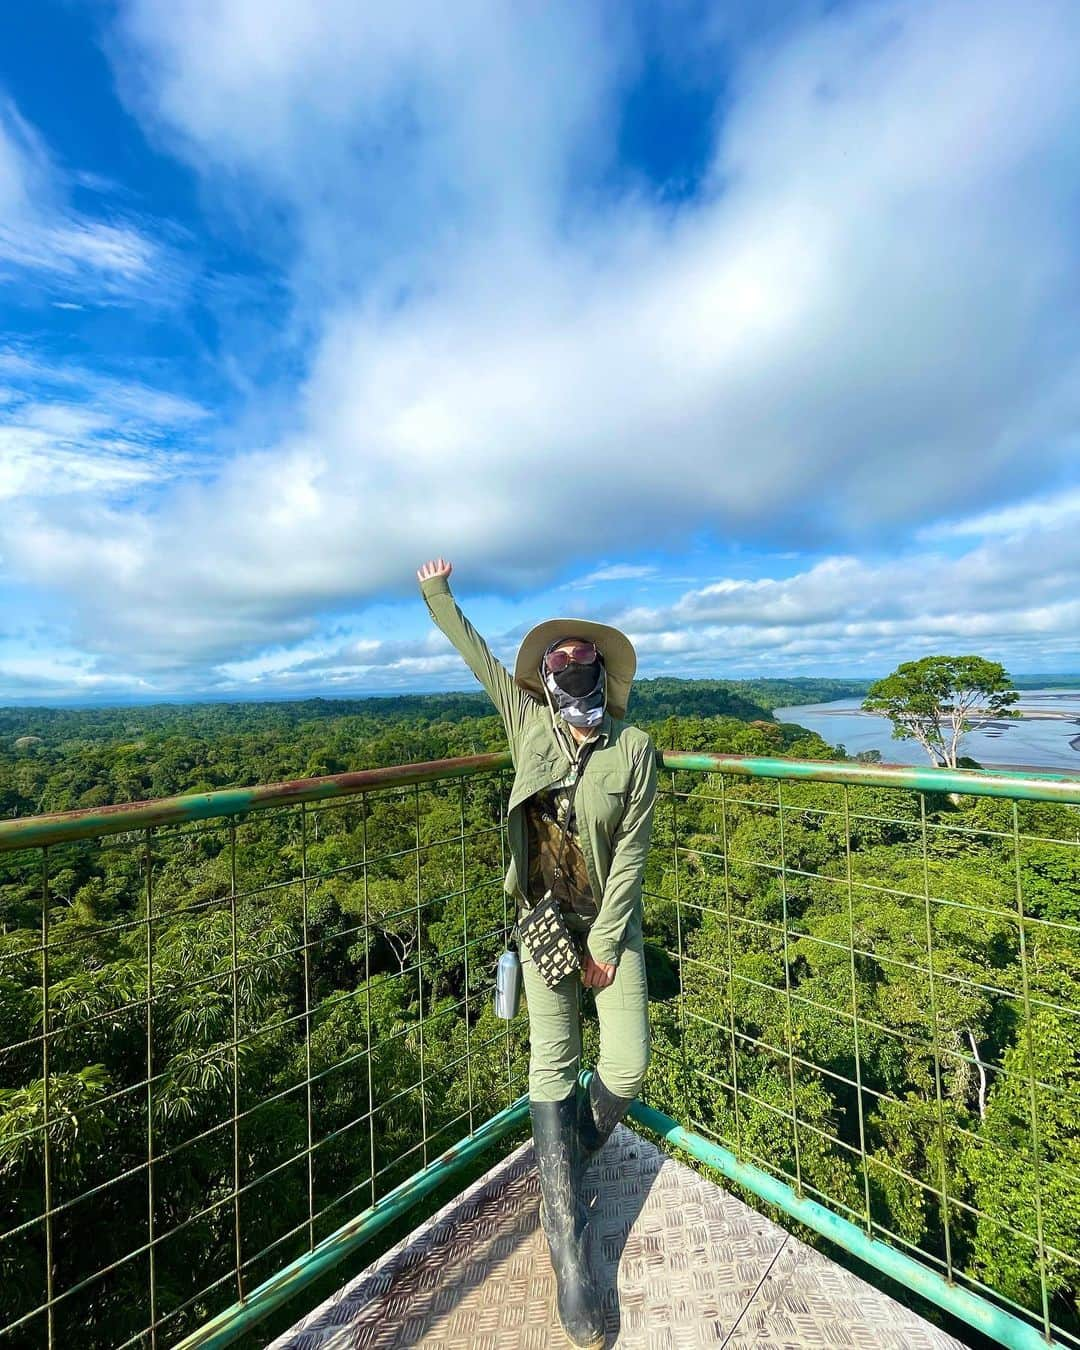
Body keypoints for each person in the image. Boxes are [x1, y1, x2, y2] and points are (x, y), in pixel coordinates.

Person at [416, 557, 658, 1349]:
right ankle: (569, 1252)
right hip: (543, 920)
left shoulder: (636, 749)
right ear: (544, 676)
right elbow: (479, 657)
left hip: (608, 925)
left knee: (625, 1064)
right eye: (555, 660)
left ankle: (566, 1168)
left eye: (580, 658)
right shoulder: (526, 724)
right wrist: (438, 594)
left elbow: (632, 854)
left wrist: (610, 949)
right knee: (551, 1064)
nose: (568, 669)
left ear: (601, 671)